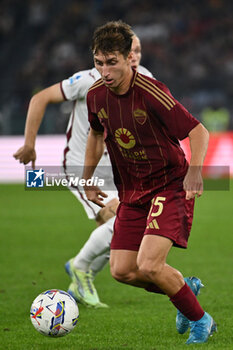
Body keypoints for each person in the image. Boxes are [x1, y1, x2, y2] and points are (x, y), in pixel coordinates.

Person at [82, 20, 217, 344]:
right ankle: (184, 289)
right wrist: (86, 179)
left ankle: (202, 321)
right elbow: (97, 135)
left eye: (111, 62)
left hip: (170, 186)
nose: (105, 71)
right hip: (133, 193)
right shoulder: (95, 96)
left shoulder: (151, 93)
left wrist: (194, 171)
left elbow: (198, 130)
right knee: (123, 270)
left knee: (150, 264)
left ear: (130, 58)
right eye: (99, 63)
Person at [13, 35, 153, 308]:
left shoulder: (146, 78)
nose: (133, 55)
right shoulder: (87, 80)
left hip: (119, 171)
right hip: (82, 168)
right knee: (124, 219)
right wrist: (30, 144)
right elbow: (40, 98)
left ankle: (81, 275)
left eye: (137, 50)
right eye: (129, 49)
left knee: (119, 233)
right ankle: (80, 266)